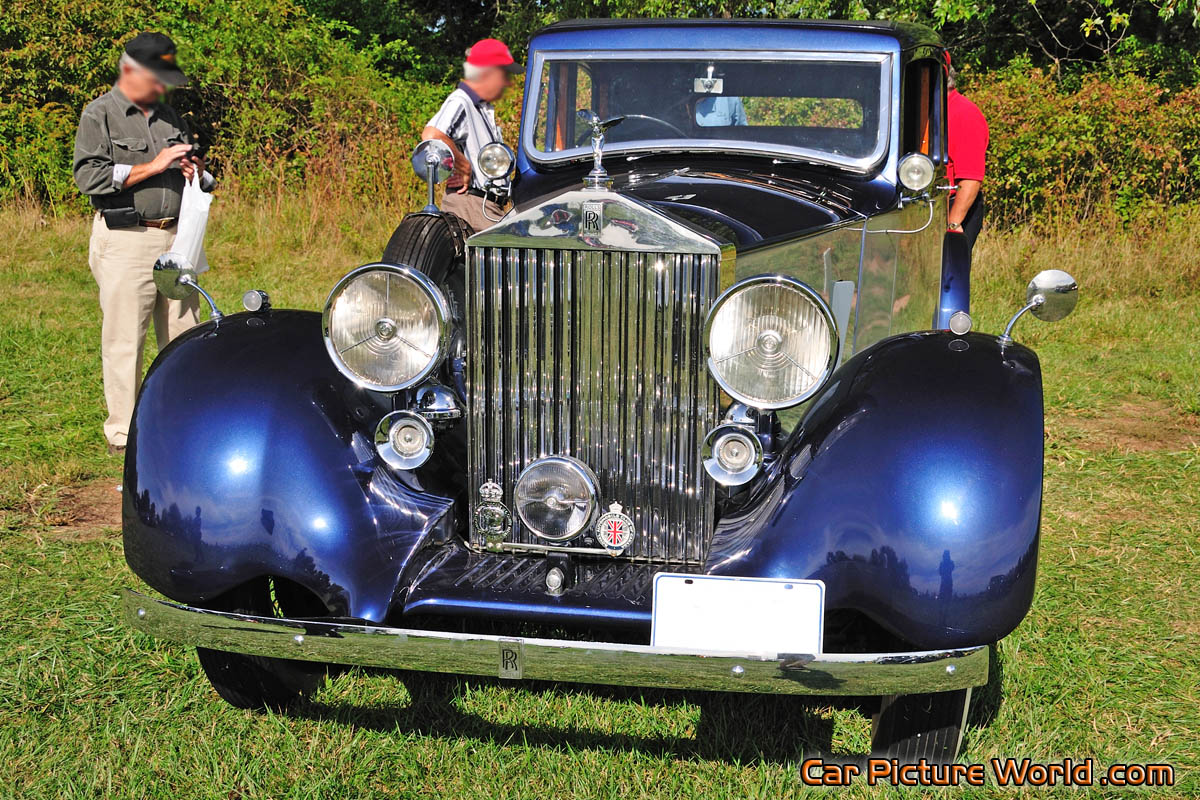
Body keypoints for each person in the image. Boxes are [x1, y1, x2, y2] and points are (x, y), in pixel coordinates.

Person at [73, 32, 213, 454]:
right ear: (131, 71)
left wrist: (198, 173)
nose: (163, 88)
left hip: (177, 238)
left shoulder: (172, 118)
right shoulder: (100, 115)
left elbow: (197, 177)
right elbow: (89, 178)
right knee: (124, 340)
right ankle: (126, 434)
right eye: (158, 78)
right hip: (126, 239)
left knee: (185, 333)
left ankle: (180, 419)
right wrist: (154, 165)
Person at [422, 38, 522, 232]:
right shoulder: (462, 101)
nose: (507, 83)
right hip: (471, 204)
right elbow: (432, 134)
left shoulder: (480, 107)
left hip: (484, 205)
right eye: (504, 75)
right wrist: (464, 166)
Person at [945, 57, 989, 256]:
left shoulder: (965, 114)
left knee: (948, 276)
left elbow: (971, 179)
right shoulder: (930, 112)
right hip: (931, 208)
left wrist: (953, 224)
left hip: (955, 208)